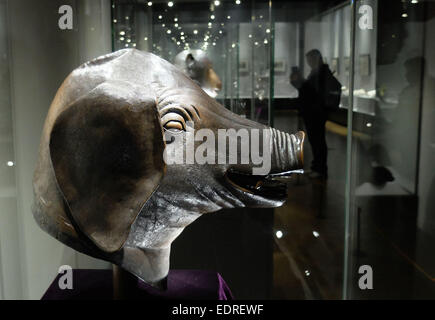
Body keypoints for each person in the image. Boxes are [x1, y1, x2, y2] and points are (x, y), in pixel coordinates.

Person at [290, 49, 340, 179]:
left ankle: (320, 169)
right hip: (314, 111)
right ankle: (316, 167)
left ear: (316, 59)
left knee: (318, 141)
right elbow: (309, 90)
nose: (309, 63)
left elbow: (312, 92)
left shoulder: (321, 74)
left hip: (316, 112)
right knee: (315, 141)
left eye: (310, 60)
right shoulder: (317, 73)